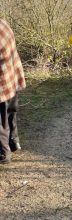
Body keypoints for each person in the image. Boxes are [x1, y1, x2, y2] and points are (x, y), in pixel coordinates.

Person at [0, 18, 26, 164]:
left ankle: (4, 154)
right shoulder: (4, 24)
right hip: (12, 78)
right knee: (11, 114)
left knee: (1, 122)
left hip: (2, 84)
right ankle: (14, 143)